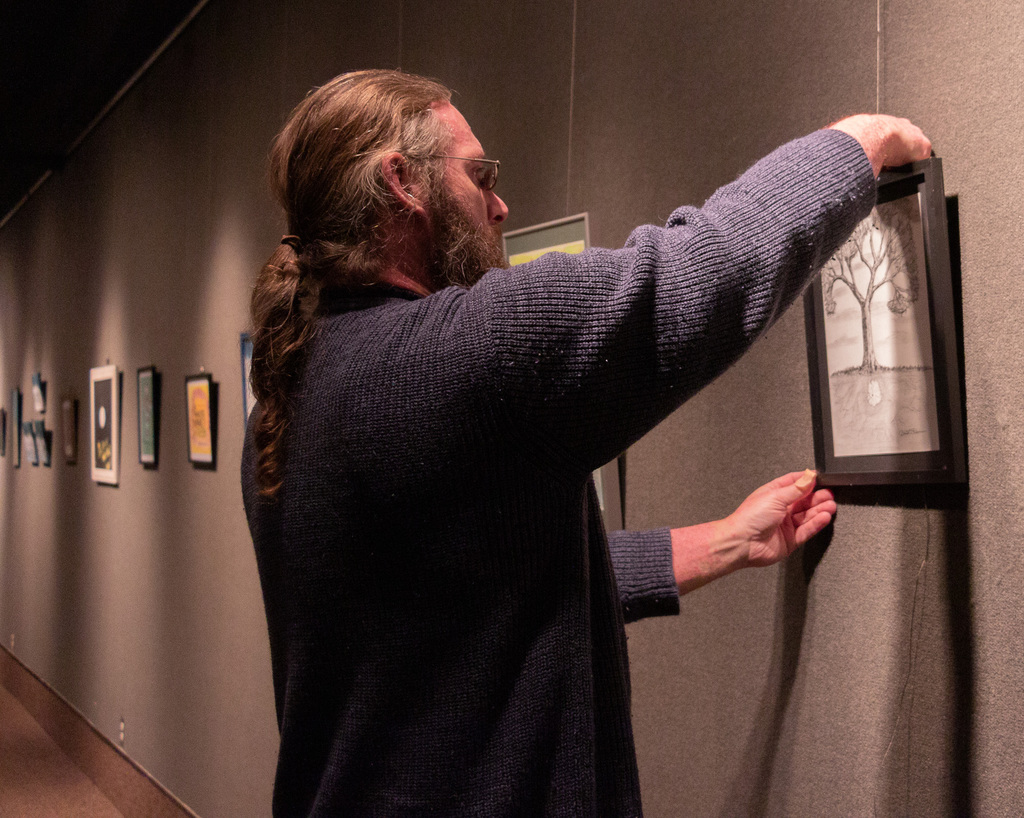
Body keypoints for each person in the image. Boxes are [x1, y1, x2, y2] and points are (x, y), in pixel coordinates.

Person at [241, 69, 931, 816]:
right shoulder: (465, 353)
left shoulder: (288, 399)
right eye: (481, 176)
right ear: (401, 182)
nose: (499, 205)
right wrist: (856, 144)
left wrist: (725, 543)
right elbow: (697, 274)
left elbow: (476, 579)